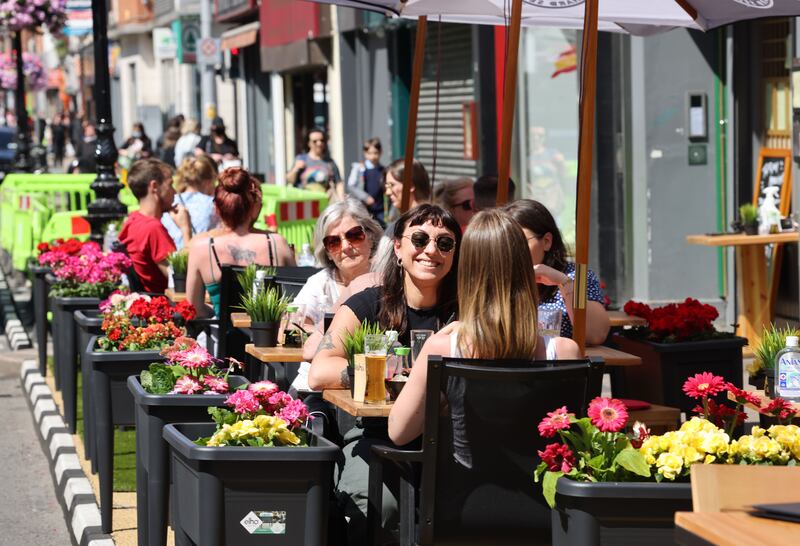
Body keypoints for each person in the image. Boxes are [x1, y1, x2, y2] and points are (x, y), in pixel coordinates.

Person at [309, 204, 462, 545]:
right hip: (376, 438)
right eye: (419, 239)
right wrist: (379, 373)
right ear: (397, 248)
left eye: (445, 243)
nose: (431, 251)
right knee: (379, 506)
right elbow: (319, 372)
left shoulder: (467, 309)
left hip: (453, 440)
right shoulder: (368, 304)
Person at [388, 209, 581, 446]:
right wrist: (567, 282)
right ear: (525, 266)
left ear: (466, 271)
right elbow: (576, 441)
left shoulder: (441, 348)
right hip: (537, 482)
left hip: (461, 481)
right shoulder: (564, 352)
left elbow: (399, 433)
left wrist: (443, 396)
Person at [291, 199, 384, 391]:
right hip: (314, 391)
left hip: (371, 388)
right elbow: (292, 325)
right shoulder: (320, 282)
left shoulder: (386, 281)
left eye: (354, 235)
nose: (346, 246)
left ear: (371, 236)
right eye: (334, 242)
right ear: (327, 251)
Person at [185, 167, 295, 318]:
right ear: (253, 206)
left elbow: (194, 309)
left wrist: (217, 313)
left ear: (217, 208)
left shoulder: (201, 247)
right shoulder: (276, 244)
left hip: (224, 337)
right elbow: (296, 300)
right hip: (270, 337)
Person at [503, 199, 610, 345]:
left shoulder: (577, 275)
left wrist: (564, 283)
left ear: (546, 241)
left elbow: (595, 334)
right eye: (505, 243)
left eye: (521, 241)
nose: (512, 250)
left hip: (558, 365)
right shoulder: (497, 277)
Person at [118, 158, 192, 293]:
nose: (174, 192)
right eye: (170, 185)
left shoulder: (133, 220)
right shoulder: (152, 228)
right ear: (154, 187)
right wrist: (186, 229)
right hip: (167, 303)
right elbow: (183, 279)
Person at [161, 155, 219, 249]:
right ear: (207, 182)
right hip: (200, 257)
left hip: (173, 258)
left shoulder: (171, 202)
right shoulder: (212, 205)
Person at [286, 127, 342, 200]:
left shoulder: (329, 162)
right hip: (304, 204)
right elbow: (289, 180)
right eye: (315, 141)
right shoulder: (301, 159)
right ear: (308, 143)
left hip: (324, 204)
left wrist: (342, 201)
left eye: (322, 140)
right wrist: (295, 169)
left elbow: (338, 183)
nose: (319, 143)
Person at [346, 137, 385, 225]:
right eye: (370, 153)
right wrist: (365, 197)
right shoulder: (360, 168)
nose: (373, 156)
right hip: (364, 208)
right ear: (365, 153)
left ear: (380, 152)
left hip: (380, 208)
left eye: (376, 153)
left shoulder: (383, 170)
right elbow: (351, 185)